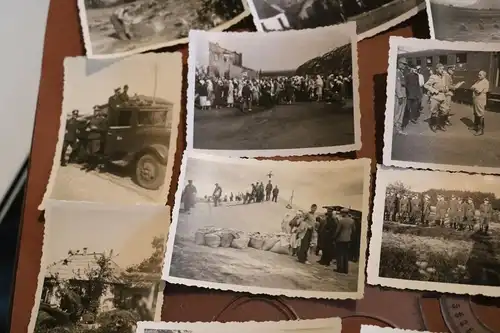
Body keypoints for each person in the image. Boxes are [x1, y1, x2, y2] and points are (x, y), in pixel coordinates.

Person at [424, 63, 448, 132]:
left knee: (444, 111)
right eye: (441, 69)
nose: (442, 70)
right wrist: (434, 90)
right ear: (437, 69)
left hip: (443, 96)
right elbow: (426, 85)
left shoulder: (444, 77)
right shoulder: (433, 77)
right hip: (435, 97)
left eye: (443, 69)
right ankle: (434, 125)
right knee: (434, 112)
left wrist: (446, 88)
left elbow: (445, 85)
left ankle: (441, 124)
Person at [334, 208, 355, 274]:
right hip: (348, 239)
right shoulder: (352, 221)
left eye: (342, 213)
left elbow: (337, 231)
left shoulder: (341, 221)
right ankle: (345, 270)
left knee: (340, 254)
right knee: (346, 255)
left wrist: (334, 237)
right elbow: (354, 230)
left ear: (344, 213)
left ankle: (340, 268)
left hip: (340, 239)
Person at [471, 70, 490, 136]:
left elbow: (478, 91)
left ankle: (480, 130)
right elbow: (472, 87)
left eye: (480, 75)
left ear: (484, 76)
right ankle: (475, 126)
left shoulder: (485, 82)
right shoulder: (478, 81)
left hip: (480, 100)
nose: (478, 76)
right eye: (478, 74)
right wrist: (475, 88)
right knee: (476, 113)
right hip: (476, 99)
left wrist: (475, 88)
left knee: (480, 114)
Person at [394, 57, 408, 135]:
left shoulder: (402, 73)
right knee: (398, 112)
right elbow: (397, 84)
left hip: (403, 94)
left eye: (405, 64)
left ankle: (397, 128)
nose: (404, 65)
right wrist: (399, 96)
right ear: (399, 63)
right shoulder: (397, 72)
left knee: (401, 112)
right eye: (403, 64)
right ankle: (397, 129)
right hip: (400, 96)